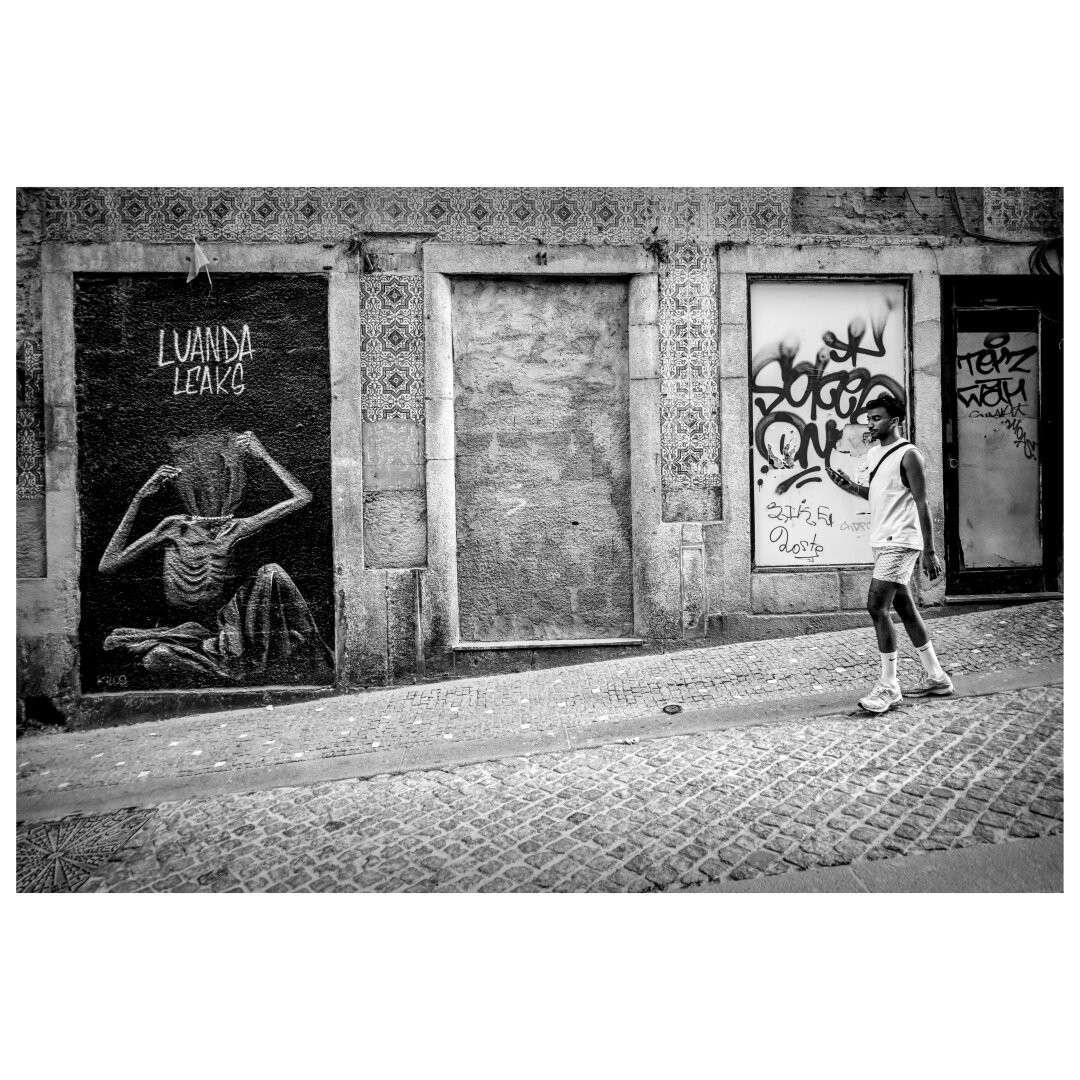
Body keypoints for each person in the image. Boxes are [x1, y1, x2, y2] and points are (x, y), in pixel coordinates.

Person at [99, 429, 333, 684]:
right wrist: (139, 498)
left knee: (272, 573)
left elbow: (302, 497)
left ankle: (268, 661)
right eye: (207, 484)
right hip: (187, 629)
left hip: (227, 629)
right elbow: (108, 564)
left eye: (221, 482)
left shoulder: (235, 527)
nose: (214, 492)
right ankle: (224, 667)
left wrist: (264, 456)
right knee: (157, 657)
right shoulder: (174, 527)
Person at [826, 394, 953, 713]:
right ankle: (937, 677)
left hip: (902, 540)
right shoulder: (875, 453)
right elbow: (880, 494)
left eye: (877, 418)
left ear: (894, 421)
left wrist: (930, 551)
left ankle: (889, 685)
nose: (870, 424)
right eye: (869, 419)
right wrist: (850, 486)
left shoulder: (909, 455)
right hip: (882, 540)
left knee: (876, 606)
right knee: (905, 607)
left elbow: (922, 503)